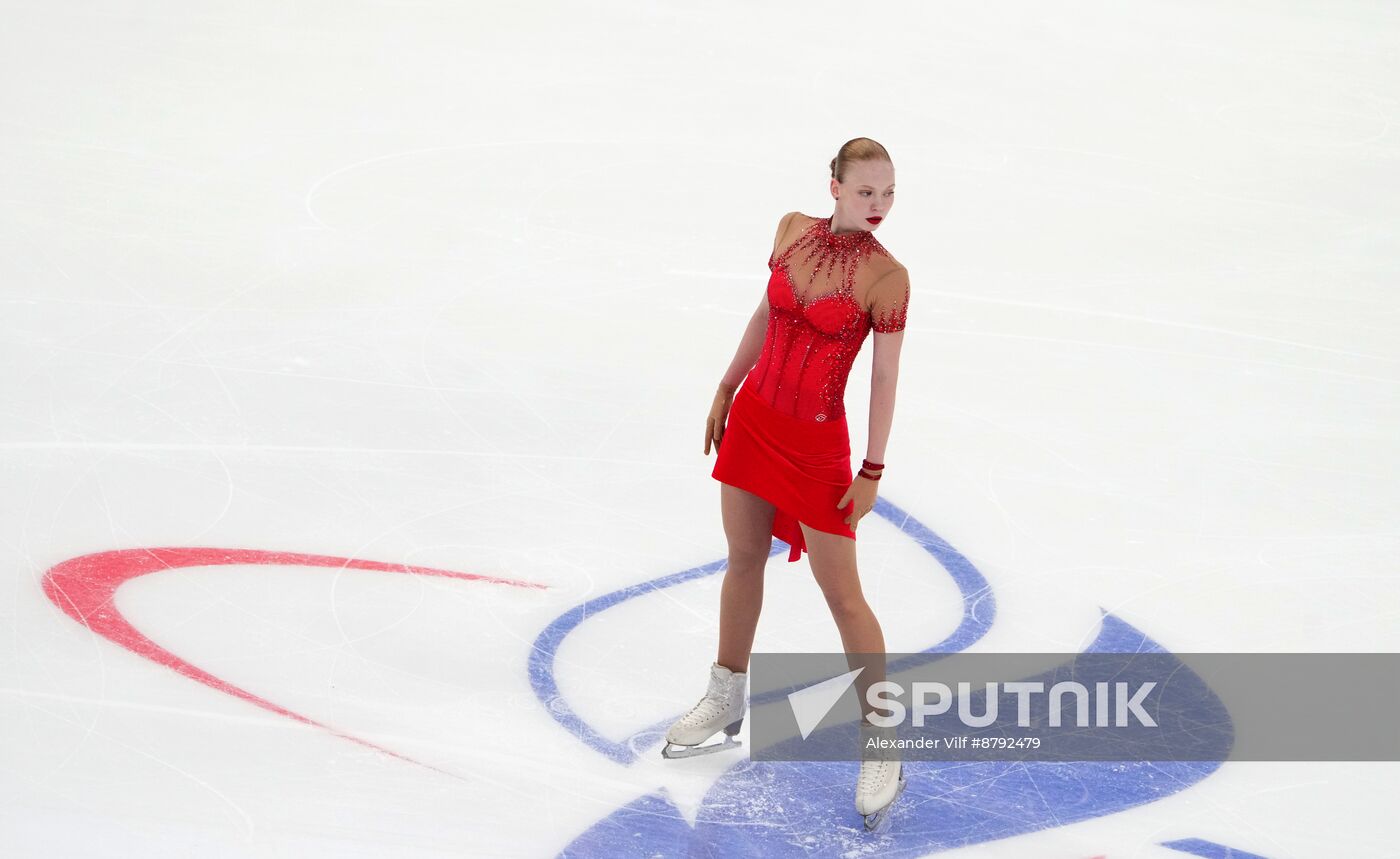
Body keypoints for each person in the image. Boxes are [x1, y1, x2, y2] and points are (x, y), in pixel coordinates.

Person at [659, 138, 910, 831]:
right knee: (742, 560)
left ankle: (882, 740)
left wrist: (872, 469)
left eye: (888, 192)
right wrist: (725, 385)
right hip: (756, 422)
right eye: (866, 192)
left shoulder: (889, 278)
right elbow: (767, 312)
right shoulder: (791, 230)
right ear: (833, 185)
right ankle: (727, 695)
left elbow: (885, 377)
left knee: (844, 597)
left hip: (816, 449)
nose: (880, 205)